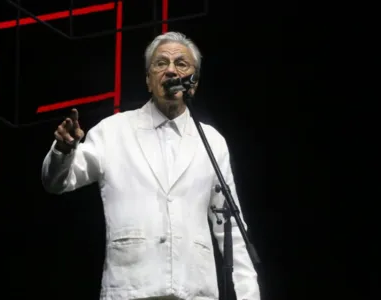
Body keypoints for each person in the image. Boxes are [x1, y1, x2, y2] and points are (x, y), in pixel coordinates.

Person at [41, 31, 260, 300]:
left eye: (181, 64)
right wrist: (64, 150)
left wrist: (249, 294)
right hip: (132, 288)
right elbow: (57, 182)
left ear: (194, 82)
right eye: (160, 63)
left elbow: (231, 227)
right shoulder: (114, 131)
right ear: (148, 79)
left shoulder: (212, 141)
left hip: (195, 291)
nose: (170, 70)